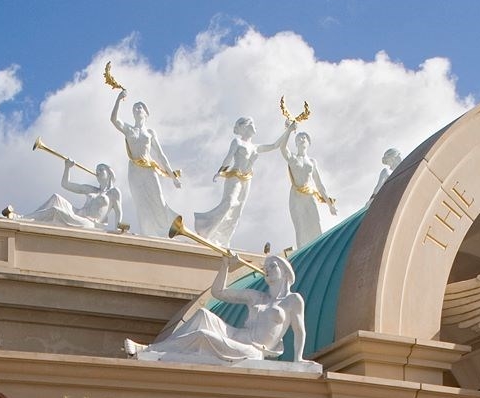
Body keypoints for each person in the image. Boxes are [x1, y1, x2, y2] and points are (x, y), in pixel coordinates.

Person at [125, 252, 312, 369]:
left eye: (273, 265)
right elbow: (218, 292)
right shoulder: (257, 297)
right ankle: (152, 351)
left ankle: (149, 351)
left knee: (203, 335)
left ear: (286, 273)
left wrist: (299, 359)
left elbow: (299, 331)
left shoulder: (292, 300)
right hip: (236, 336)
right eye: (265, 267)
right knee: (203, 315)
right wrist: (226, 265)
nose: (267, 269)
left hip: (253, 350)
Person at [191, 116, 286, 246]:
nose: (255, 126)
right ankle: (205, 230)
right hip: (234, 176)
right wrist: (220, 171)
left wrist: (289, 130)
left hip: (247, 179)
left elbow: (275, 145)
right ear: (245, 127)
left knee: (237, 211)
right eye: (252, 123)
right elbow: (229, 157)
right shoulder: (237, 142)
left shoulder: (255, 147)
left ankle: (223, 240)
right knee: (229, 203)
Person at [110, 91, 180, 237]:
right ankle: (147, 232)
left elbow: (161, 156)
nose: (136, 109)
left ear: (146, 113)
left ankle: (165, 229)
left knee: (158, 198)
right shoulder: (129, 130)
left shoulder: (150, 133)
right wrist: (118, 99)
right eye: (134, 108)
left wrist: (173, 177)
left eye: (140, 107)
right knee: (140, 203)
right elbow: (114, 119)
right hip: (135, 170)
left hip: (149, 169)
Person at [26, 159, 121, 231]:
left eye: (101, 169)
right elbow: (65, 184)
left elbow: (118, 212)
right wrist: (67, 167)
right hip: (78, 214)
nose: (98, 172)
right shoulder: (91, 189)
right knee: (56, 198)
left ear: (109, 174)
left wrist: (118, 230)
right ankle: (26, 218)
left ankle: (25, 220)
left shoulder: (113, 192)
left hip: (89, 222)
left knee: (55, 211)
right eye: (97, 170)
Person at [279, 129, 335, 250]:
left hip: (310, 195)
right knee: (300, 227)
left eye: (304, 137)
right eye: (299, 137)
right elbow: (282, 147)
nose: (302, 139)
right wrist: (289, 130)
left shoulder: (312, 162)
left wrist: (330, 204)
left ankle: (320, 249)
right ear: (296, 143)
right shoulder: (293, 158)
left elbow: (319, 185)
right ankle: (302, 254)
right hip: (296, 196)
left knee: (316, 222)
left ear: (308, 142)